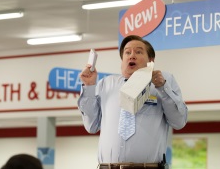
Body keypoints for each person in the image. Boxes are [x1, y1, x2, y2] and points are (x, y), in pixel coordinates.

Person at [78, 35, 188, 168]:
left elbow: (179, 121)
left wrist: (162, 87)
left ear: (150, 61)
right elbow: (91, 125)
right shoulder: (106, 84)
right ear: (122, 60)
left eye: (139, 52)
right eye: (127, 52)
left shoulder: (163, 81)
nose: (132, 56)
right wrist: (89, 86)